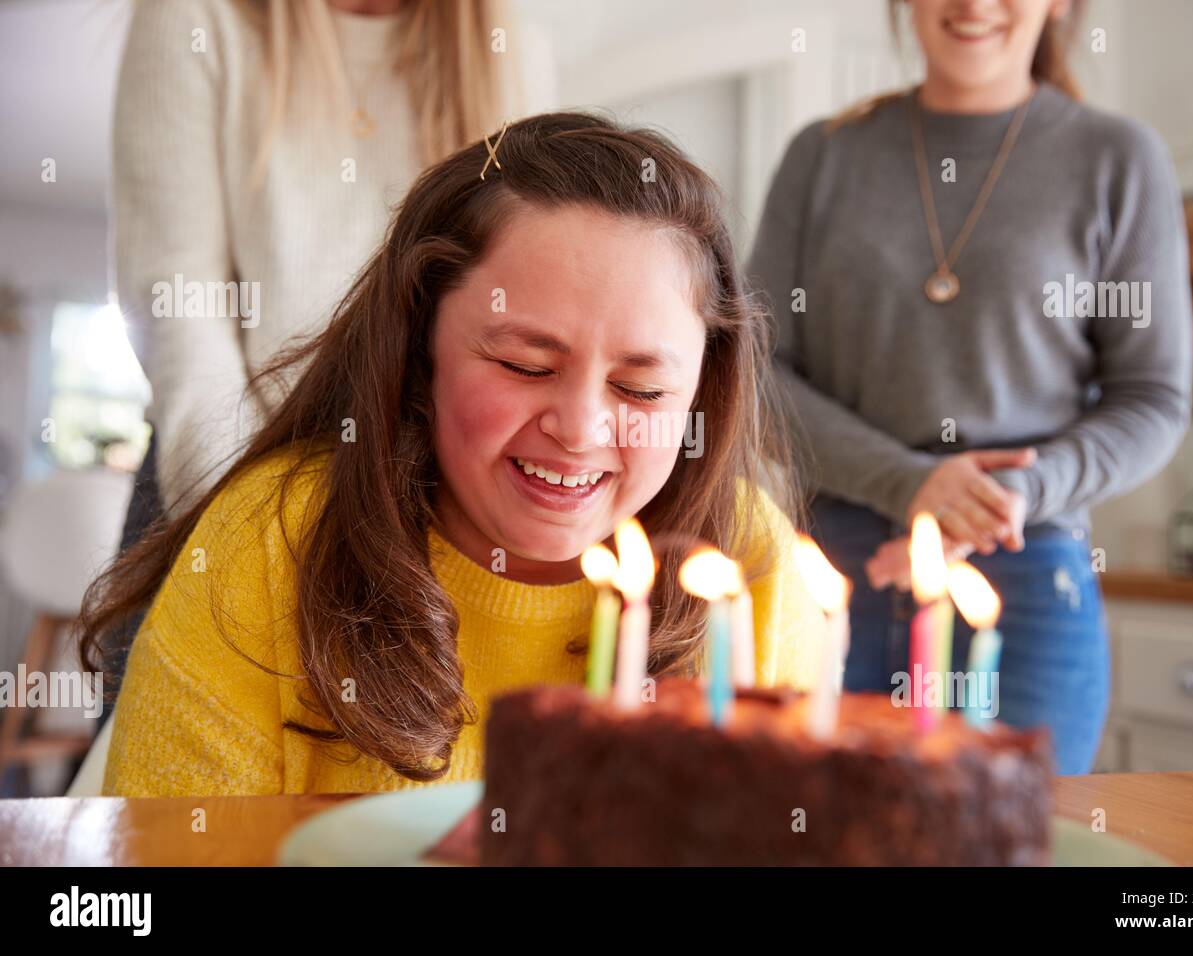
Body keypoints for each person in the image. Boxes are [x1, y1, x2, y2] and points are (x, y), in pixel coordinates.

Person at [78, 113, 825, 796]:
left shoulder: (747, 564)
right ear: (416, 347)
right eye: (525, 366)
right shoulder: (272, 540)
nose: (579, 429)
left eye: (641, 389)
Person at [747, 0, 1193, 774]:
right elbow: (754, 373)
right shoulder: (821, 157)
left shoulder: (1119, 158)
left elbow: (1152, 397)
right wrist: (912, 484)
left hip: (1028, 570)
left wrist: (1014, 495)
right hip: (837, 568)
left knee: (1013, 840)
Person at [103, 0, 553, 704]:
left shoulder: (508, 46)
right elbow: (180, 304)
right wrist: (256, 528)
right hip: (213, 481)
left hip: (427, 508)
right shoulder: (195, 19)